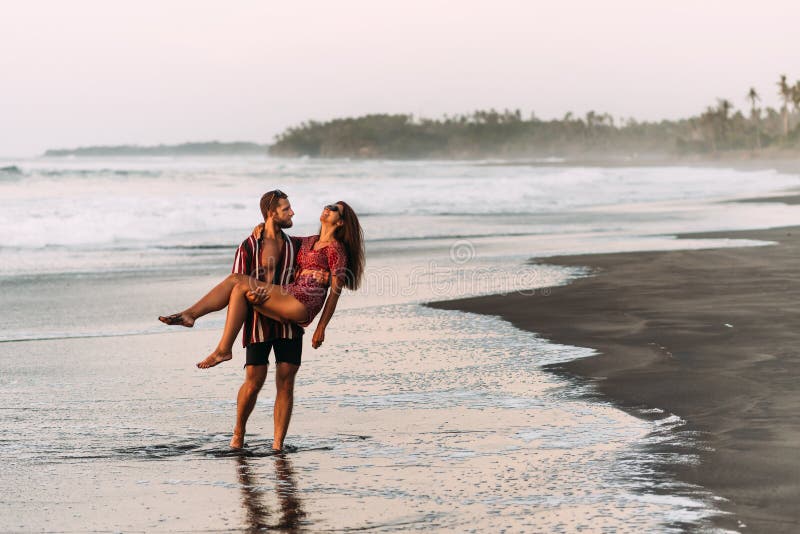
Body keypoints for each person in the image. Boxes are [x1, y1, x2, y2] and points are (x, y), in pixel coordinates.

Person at [159, 191, 364, 450]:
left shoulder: (336, 250)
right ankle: (239, 431)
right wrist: (262, 225)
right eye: (327, 205)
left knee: (285, 380)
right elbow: (277, 233)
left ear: (341, 222)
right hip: (276, 306)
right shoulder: (304, 242)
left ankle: (211, 337)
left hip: (298, 309)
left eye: (334, 208)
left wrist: (321, 327)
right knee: (241, 295)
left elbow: (335, 292)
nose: (326, 208)